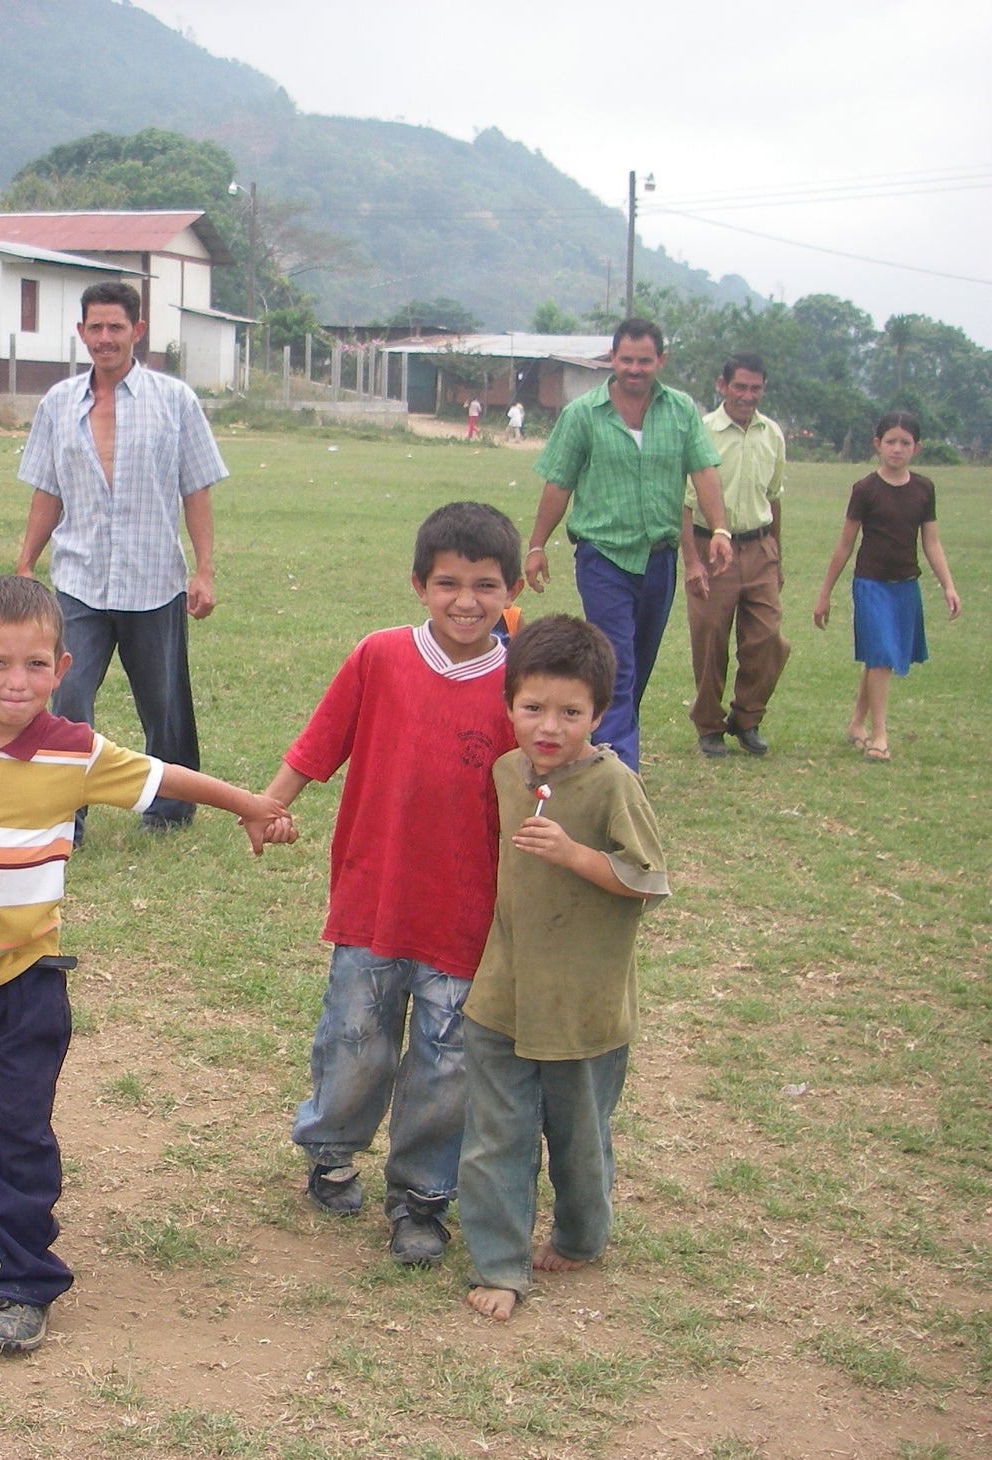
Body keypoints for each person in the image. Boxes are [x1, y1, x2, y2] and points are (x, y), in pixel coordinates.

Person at [0, 575, 290, 1355]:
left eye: (37, 665)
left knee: (21, 1129)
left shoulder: (75, 751)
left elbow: (165, 777)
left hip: (27, 984)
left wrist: (250, 805)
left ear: (63, 668)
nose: (17, 682)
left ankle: (22, 1281)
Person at [260, 503, 522, 1268]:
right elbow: (320, 743)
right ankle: (331, 1152)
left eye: (485, 585)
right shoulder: (380, 656)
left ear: (511, 592)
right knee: (354, 1044)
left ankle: (421, 1196)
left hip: (468, 920)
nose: (465, 601)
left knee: (448, 1065)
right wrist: (269, 806)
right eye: (448, 584)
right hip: (374, 903)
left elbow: (553, 779)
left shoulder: (521, 682)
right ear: (418, 584)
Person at [459, 615, 669, 1321]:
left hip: (583, 1004)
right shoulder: (504, 771)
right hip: (503, 994)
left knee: (579, 1138)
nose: (549, 727)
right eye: (533, 708)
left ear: (598, 714)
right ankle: (499, 1263)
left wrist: (575, 855)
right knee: (495, 1134)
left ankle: (581, 1234)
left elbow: (648, 880)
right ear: (509, 704)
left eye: (571, 713)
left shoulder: (613, 786)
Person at [15, 279, 227, 838]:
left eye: (116, 327)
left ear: (138, 331)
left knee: (163, 703)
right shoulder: (59, 404)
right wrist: (26, 564)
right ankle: (66, 814)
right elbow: (47, 490)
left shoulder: (174, 401)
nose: (105, 338)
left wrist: (204, 571)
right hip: (79, 579)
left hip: (153, 580)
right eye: (95, 328)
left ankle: (171, 807)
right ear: (81, 332)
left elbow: (197, 488)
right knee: (67, 694)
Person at [525, 319, 734, 771]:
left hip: (660, 558)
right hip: (603, 556)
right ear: (612, 359)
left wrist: (719, 529)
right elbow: (558, 483)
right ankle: (621, 771)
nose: (634, 369)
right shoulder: (583, 414)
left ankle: (605, 749)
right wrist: (537, 545)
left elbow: (703, 471)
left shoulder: (680, 411)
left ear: (661, 361)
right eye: (626, 360)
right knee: (617, 664)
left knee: (637, 665)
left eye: (644, 361)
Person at [811, 411, 962, 763]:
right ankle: (879, 736)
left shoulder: (924, 489)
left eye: (905, 443)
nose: (897, 449)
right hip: (871, 585)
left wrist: (948, 586)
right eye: (890, 441)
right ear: (877, 444)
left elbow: (931, 542)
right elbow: (845, 544)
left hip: (905, 586)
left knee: (881, 658)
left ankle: (856, 724)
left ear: (916, 448)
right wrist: (824, 594)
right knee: (880, 655)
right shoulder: (865, 489)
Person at [681, 352, 789, 758]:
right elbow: (684, 503)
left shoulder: (772, 434)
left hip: (759, 547)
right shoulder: (702, 432)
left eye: (755, 388)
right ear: (722, 385)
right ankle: (709, 725)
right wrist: (692, 562)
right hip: (711, 547)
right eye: (739, 386)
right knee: (710, 638)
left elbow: (774, 497)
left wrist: (776, 555)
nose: (747, 395)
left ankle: (747, 717)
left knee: (768, 639)